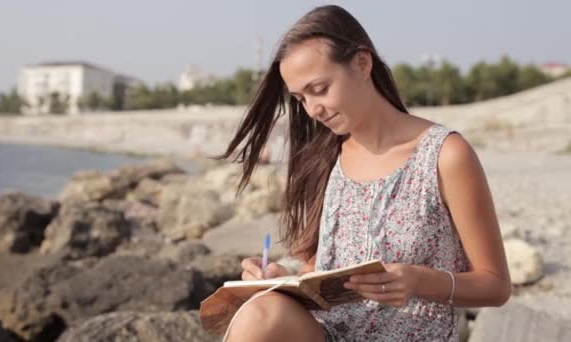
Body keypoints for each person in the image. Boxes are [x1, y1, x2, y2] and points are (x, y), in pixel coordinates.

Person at [218, 5, 511, 341]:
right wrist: (283, 280)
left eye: (320, 89)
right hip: (330, 334)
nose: (313, 110)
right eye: (300, 99)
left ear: (361, 63)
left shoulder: (445, 155)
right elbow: (318, 275)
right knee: (259, 312)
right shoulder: (324, 160)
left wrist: (417, 281)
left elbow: (496, 285)